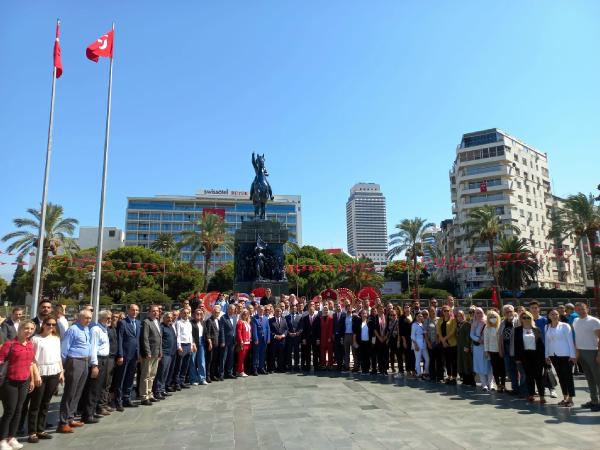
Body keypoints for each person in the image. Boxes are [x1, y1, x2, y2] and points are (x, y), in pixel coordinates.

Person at [0, 320, 37, 450]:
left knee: (19, 410)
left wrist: (32, 380)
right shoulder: (9, 344)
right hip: (9, 382)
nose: (29, 331)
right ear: (20, 329)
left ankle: (12, 437)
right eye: (26, 328)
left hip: (24, 381)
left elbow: (31, 363)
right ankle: (2, 439)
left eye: (32, 329)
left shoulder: (31, 344)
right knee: (9, 411)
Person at [27, 315, 62, 443]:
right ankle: (32, 432)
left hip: (54, 372)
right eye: (49, 324)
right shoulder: (35, 339)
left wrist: (61, 372)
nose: (51, 327)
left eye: (53, 325)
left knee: (46, 402)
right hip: (40, 372)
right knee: (36, 403)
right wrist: (36, 375)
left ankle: (41, 429)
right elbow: (32, 359)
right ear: (43, 325)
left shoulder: (56, 339)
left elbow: (58, 357)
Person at [57, 310, 92, 433]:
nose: (88, 320)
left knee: (78, 391)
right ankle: (63, 422)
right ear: (79, 318)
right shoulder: (73, 329)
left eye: (90, 318)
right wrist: (63, 366)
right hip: (74, 361)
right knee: (70, 392)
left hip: (85, 362)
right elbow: (64, 349)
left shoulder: (86, 329)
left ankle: (70, 418)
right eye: (86, 318)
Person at [80, 310, 111, 424]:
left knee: (98, 388)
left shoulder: (104, 329)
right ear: (101, 318)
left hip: (105, 359)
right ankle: (87, 414)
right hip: (98, 360)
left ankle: (92, 411)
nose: (109, 320)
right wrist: (94, 365)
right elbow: (93, 348)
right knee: (93, 388)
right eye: (107, 318)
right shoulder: (95, 330)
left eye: (110, 318)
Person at [545, 309, 576, 407]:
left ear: (559, 315)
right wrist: (546, 355)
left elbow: (570, 341)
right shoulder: (547, 327)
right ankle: (565, 397)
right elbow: (547, 342)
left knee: (568, 377)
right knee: (561, 377)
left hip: (566, 355)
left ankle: (570, 399)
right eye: (552, 314)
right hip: (553, 355)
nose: (554, 316)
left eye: (556, 314)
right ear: (549, 316)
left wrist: (573, 355)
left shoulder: (565, 326)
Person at [572, 302, 600, 411]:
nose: (580, 311)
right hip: (581, 352)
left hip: (593, 352)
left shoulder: (594, 321)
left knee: (598, 378)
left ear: (587, 309)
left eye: (582, 309)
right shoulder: (575, 321)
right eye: (578, 309)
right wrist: (577, 353)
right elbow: (578, 338)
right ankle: (594, 401)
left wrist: (599, 354)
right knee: (589, 378)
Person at [112, 304, 140, 411]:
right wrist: (120, 355)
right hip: (124, 355)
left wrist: (138, 355)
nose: (135, 312)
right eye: (133, 310)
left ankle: (127, 398)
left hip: (134, 356)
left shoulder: (138, 323)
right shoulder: (122, 323)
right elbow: (120, 339)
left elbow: (137, 340)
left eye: (137, 310)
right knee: (121, 378)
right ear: (128, 311)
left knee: (130, 378)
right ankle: (118, 401)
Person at [514, 311, 546, 403]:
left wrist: (545, 357)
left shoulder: (537, 329)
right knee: (529, 377)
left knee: (538, 377)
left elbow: (541, 345)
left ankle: (542, 396)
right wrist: (517, 358)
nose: (526, 319)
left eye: (528, 317)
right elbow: (516, 345)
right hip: (525, 356)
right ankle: (531, 394)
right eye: (524, 318)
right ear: (521, 319)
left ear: (531, 318)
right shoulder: (517, 330)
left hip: (537, 356)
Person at [139, 306, 162, 406]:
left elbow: (160, 339)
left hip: (156, 353)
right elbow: (145, 338)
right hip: (149, 354)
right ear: (149, 312)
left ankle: (149, 393)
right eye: (153, 311)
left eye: (157, 311)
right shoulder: (146, 322)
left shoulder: (157, 322)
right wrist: (147, 352)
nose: (155, 313)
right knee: (146, 375)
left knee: (152, 375)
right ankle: (144, 396)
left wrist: (160, 351)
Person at [498, 305, 521, 395]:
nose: (509, 313)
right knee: (510, 370)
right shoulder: (503, 323)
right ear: (504, 313)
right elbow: (499, 337)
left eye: (510, 311)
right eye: (507, 312)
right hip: (506, 349)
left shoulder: (518, 321)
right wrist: (500, 349)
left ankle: (522, 389)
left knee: (520, 370)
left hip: (516, 350)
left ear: (513, 311)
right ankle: (515, 388)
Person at [154, 312, 178, 398]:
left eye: (171, 318)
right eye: (168, 318)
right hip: (164, 354)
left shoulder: (171, 327)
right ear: (164, 318)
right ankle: (157, 391)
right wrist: (161, 353)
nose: (170, 319)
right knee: (161, 373)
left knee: (166, 373)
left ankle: (162, 389)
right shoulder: (162, 327)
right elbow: (159, 341)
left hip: (171, 353)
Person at [470, 308, 492, 391]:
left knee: (489, 365)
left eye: (480, 312)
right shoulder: (474, 323)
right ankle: (484, 384)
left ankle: (491, 383)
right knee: (480, 365)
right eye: (477, 313)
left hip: (488, 346)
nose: (479, 314)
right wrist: (478, 339)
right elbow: (471, 334)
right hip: (478, 347)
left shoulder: (487, 321)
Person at [484, 310, 505, 392]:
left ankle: (503, 384)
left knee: (503, 369)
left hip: (501, 350)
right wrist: (486, 351)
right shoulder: (487, 328)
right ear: (488, 319)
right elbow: (486, 340)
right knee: (495, 369)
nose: (493, 319)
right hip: (492, 351)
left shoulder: (501, 326)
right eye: (491, 317)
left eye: (495, 317)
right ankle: (498, 385)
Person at [173, 307, 195, 387]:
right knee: (179, 365)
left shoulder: (189, 323)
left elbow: (190, 334)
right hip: (182, 345)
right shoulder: (178, 323)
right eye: (184, 313)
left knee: (185, 365)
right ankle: (176, 382)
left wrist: (192, 344)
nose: (186, 314)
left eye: (187, 313)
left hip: (188, 345)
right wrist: (179, 346)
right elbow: (177, 335)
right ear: (181, 314)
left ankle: (182, 381)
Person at [437, 306, 457, 384]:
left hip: (452, 344)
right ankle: (449, 376)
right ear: (442, 312)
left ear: (450, 311)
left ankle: (454, 377)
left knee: (453, 361)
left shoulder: (453, 320)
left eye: (448, 310)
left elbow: (453, 331)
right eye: (444, 311)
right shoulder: (440, 320)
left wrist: (445, 339)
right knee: (447, 361)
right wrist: (443, 341)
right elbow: (438, 331)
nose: (446, 312)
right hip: (444, 344)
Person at [189, 309, 208, 386]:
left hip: (202, 342)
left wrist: (209, 341)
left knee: (202, 361)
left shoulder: (203, 322)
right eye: (197, 313)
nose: (199, 315)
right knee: (193, 361)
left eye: (200, 313)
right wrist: (193, 343)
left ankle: (202, 378)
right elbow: (190, 334)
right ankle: (193, 379)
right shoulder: (191, 323)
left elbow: (205, 333)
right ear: (194, 314)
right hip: (194, 342)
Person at [423, 307, 442, 382]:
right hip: (431, 343)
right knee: (432, 360)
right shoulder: (426, 321)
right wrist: (428, 343)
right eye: (431, 311)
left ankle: (440, 376)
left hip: (439, 343)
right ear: (429, 312)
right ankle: (432, 376)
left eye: (433, 311)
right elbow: (425, 333)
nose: (432, 312)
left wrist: (439, 339)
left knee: (439, 361)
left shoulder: (439, 319)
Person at [219, 304, 238, 379]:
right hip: (225, 341)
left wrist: (236, 340)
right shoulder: (223, 318)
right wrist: (223, 341)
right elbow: (222, 330)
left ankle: (229, 373)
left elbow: (235, 329)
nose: (232, 310)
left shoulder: (234, 317)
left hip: (232, 341)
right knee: (223, 358)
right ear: (228, 309)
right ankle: (221, 374)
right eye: (231, 309)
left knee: (231, 358)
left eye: (233, 309)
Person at [251, 305, 271, 375]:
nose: (261, 311)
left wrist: (268, 338)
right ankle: (255, 369)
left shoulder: (266, 318)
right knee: (256, 354)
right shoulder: (254, 318)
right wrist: (255, 339)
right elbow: (254, 330)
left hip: (264, 340)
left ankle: (261, 368)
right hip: (258, 340)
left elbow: (268, 329)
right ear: (257, 310)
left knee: (263, 354)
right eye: (260, 310)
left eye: (262, 310)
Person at [301, 303, 320, 371]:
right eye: (310, 310)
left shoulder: (317, 318)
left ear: (314, 310)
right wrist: (303, 338)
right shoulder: (305, 318)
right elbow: (303, 329)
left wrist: (318, 338)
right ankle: (308, 365)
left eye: (312, 310)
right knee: (307, 352)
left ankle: (316, 365)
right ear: (308, 311)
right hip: (307, 338)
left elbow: (318, 329)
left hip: (315, 338)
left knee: (315, 352)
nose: (311, 311)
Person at [269, 307, 288, 372]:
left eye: (280, 311)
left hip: (282, 340)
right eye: (277, 311)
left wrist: (283, 335)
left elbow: (286, 329)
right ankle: (272, 368)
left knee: (281, 355)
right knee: (273, 355)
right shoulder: (271, 320)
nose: (278, 313)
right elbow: (269, 330)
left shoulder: (284, 319)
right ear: (274, 312)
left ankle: (280, 368)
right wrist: (275, 335)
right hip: (274, 340)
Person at [353, 309, 372, 374]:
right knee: (361, 356)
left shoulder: (370, 322)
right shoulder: (358, 322)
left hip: (368, 342)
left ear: (367, 314)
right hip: (360, 342)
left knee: (368, 356)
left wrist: (373, 342)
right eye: (363, 313)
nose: (364, 314)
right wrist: (354, 342)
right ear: (360, 314)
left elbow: (373, 333)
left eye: (365, 313)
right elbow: (355, 333)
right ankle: (363, 370)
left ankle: (367, 369)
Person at [205, 306, 222, 380]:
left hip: (217, 344)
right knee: (209, 360)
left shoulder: (218, 320)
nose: (217, 313)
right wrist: (210, 343)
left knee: (215, 360)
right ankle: (208, 376)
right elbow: (207, 333)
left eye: (218, 312)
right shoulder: (209, 320)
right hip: (212, 344)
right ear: (212, 312)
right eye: (215, 312)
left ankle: (213, 375)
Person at [411, 312, 429, 379]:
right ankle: (419, 373)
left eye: (421, 316)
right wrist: (415, 345)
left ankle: (425, 372)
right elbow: (412, 336)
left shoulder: (422, 324)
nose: (420, 317)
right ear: (416, 317)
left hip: (424, 344)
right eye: (419, 316)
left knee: (427, 359)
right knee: (418, 360)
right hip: (417, 343)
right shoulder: (414, 325)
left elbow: (425, 333)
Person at [341, 301, 358, 372]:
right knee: (346, 352)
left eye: (350, 308)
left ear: (351, 309)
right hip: (346, 335)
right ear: (346, 309)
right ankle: (346, 366)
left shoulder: (355, 317)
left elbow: (357, 328)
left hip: (353, 335)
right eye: (347, 308)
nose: (349, 309)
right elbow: (342, 327)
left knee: (354, 352)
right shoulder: (343, 317)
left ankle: (356, 367)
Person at [285, 304, 303, 371]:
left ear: (297, 309)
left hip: (296, 337)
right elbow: (285, 327)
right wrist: (289, 333)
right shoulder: (286, 317)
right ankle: (289, 366)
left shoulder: (300, 317)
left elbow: (301, 327)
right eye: (293, 308)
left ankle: (296, 366)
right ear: (290, 309)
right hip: (289, 337)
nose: (294, 309)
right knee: (289, 352)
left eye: (295, 308)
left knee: (296, 352)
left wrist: (297, 333)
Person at [399, 304, 415, 376]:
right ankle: (408, 370)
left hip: (414, 339)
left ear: (410, 308)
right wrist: (404, 341)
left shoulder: (413, 316)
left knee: (413, 355)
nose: (407, 309)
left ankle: (413, 370)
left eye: (408, 307)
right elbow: (401, 331)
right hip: (406, 339)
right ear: (403, 309)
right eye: (405, 307)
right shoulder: (401, 318)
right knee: (407, 355)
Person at [236, 309, 252, 377]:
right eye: (244, 314)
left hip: (248, 342)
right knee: (241, 358)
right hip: (243, 343)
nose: (245, 315)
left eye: (247, 314)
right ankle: (240, 371)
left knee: (243, 358)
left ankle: (240, 370)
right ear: (241, 314)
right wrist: (241, 341)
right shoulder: (240, 322)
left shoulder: (247, 322)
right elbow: (239, 333)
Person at [374, 305, 389, 374]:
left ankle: (385, 369)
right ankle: (380, 368)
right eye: (379, 309)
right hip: (378, 339)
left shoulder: (387, 317)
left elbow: (389, 328)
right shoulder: (375, 317)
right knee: (379, 354)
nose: (381, 310)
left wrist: (385, 337)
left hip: (385, 339)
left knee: (385, 354)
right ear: (377, 310)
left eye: (382, 309)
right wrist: (379, 337)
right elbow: (374, 329)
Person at [387, 308, 401, 375]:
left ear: (396, 315)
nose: (393, 316)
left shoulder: (398, 322)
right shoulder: (390, 322)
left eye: (394, 315)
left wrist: (398, 341)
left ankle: (400, 368)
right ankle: (392, 367)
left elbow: (399, 332)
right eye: (391, 315)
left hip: (396, 339)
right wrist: (387, 339)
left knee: (398, 354)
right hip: (391, 339)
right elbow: (389, 331)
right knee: (391, 354)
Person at [332, 303, 345, 371]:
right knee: (336, 350)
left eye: (339, 306)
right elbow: (333, 326)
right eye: (337, 306)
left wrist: (343, 336)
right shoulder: (334, 315)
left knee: (342, 350)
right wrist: (333, 334)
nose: (338, 307)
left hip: (342, 336)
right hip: (336, 335)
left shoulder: (344, 315)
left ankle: (342, 364)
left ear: (341, 307)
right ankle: (338, 365)